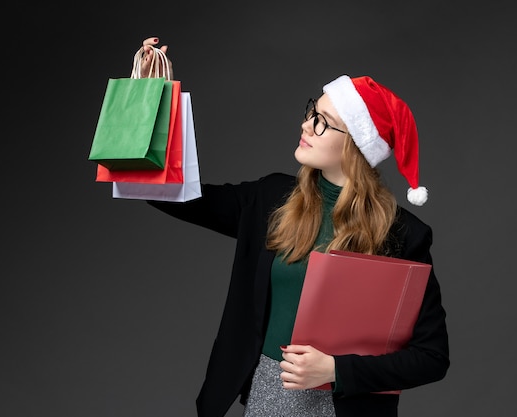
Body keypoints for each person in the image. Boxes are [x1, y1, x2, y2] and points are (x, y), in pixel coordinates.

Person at [139, 37, 449, 417]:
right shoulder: (270, 198)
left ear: (356, 145)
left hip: (346, 409)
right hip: (269, 399)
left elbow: (432, 357)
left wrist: (336, 370)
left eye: (322, 122)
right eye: (311, 111)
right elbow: (168, 192)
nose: (306, 124)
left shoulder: (403, 234)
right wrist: (150, 96)